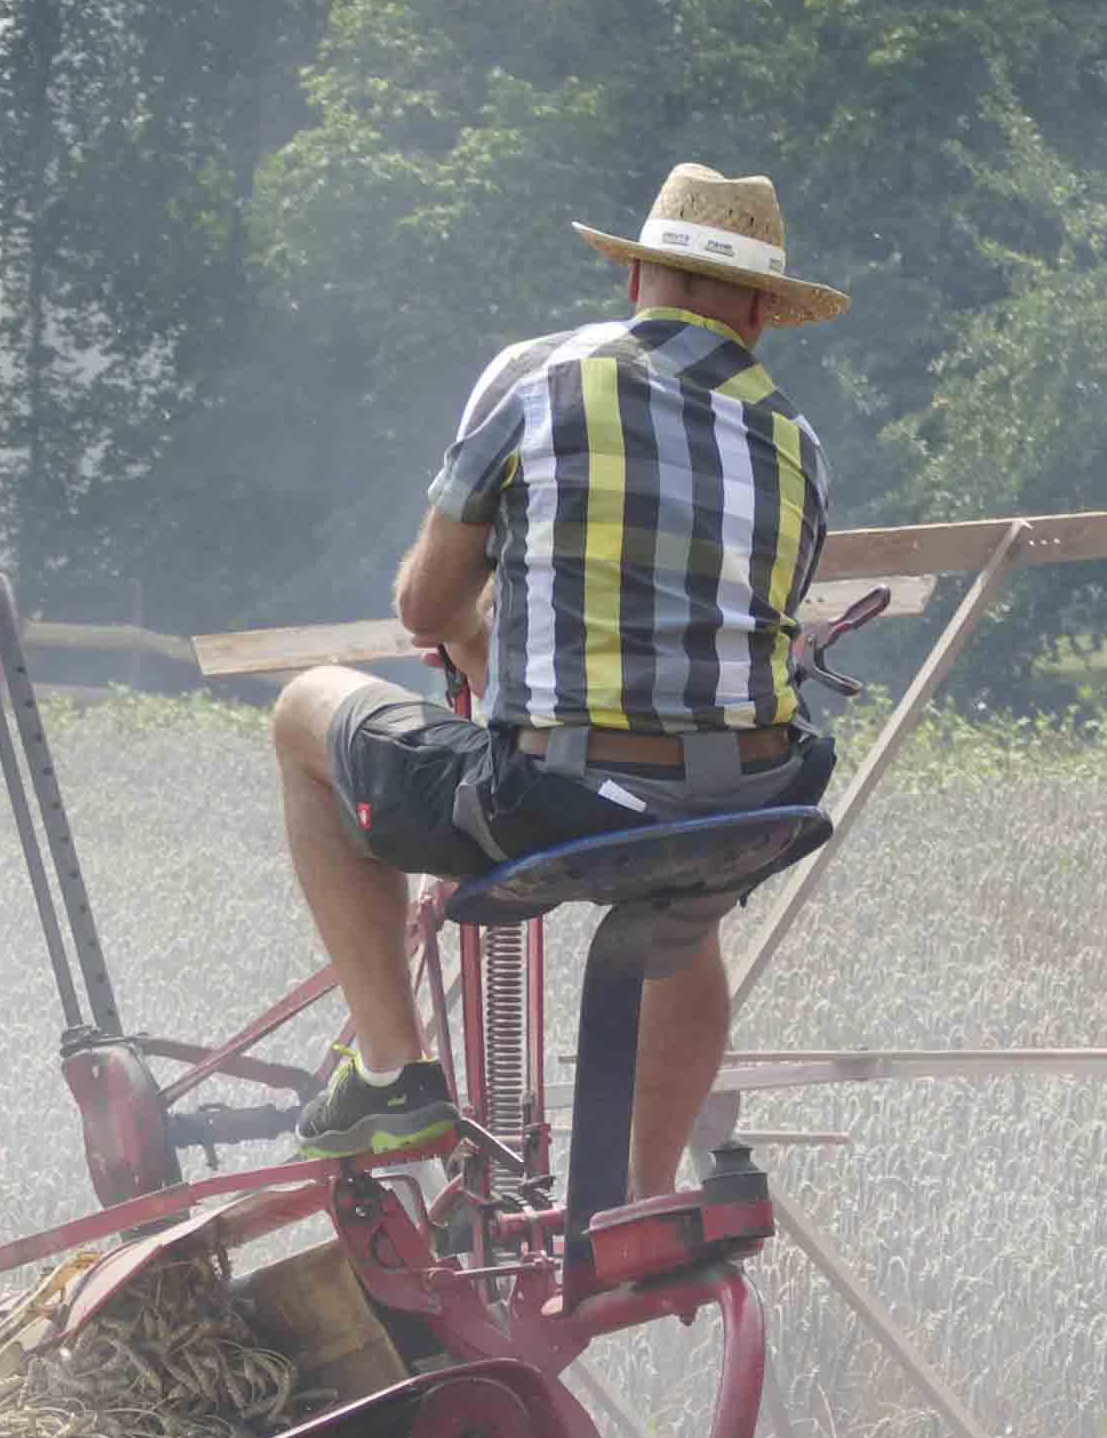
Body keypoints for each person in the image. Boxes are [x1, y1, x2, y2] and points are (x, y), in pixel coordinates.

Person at [271, 162, 844, 1189]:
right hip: (747, 806)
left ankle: (393, 1075)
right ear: (761, 315)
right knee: (684, 898)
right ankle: (639, 1195)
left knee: (302, 712)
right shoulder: (800, 443)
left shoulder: (542, 379)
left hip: (562, 803)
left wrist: (477, 631)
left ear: (637, 281)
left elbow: (425, 609)